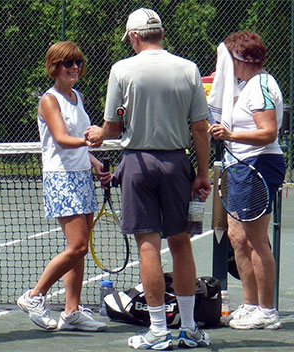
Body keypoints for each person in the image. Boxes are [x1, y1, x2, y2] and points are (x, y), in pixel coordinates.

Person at [85, 8, 211, 350]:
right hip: (176, 164)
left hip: (138, 163)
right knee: (182, 243)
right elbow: (199, 128)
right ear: (161, 34)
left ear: (135, 37)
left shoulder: (122, 70)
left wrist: (97, 132)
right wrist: (202, 173)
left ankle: (158, 332)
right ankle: (188, 329)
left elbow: (111, 128)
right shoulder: (189, 69)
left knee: (148, 246)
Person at [17, 41, 110, 332]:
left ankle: (71, 311)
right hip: (61, 178)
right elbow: (60, 138)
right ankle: (34, 296)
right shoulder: (49, 99)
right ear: (54, 68)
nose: (74, 68)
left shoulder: (77, 96)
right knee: (78, 246)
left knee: (78, 248)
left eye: (77, 63)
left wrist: (93, 161)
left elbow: (78, 141)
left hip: (81, 175)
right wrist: (91, 140)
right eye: (67, 64)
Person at [208, 31, 285, 330]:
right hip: (239, 165)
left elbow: (268, 132)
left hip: (258, 164)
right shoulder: (247, 86)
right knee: (238, 239)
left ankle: (267, 310)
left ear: (239, 60)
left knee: (255, 240)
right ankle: (251, 305)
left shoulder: (261, 86)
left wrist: (231, 135)